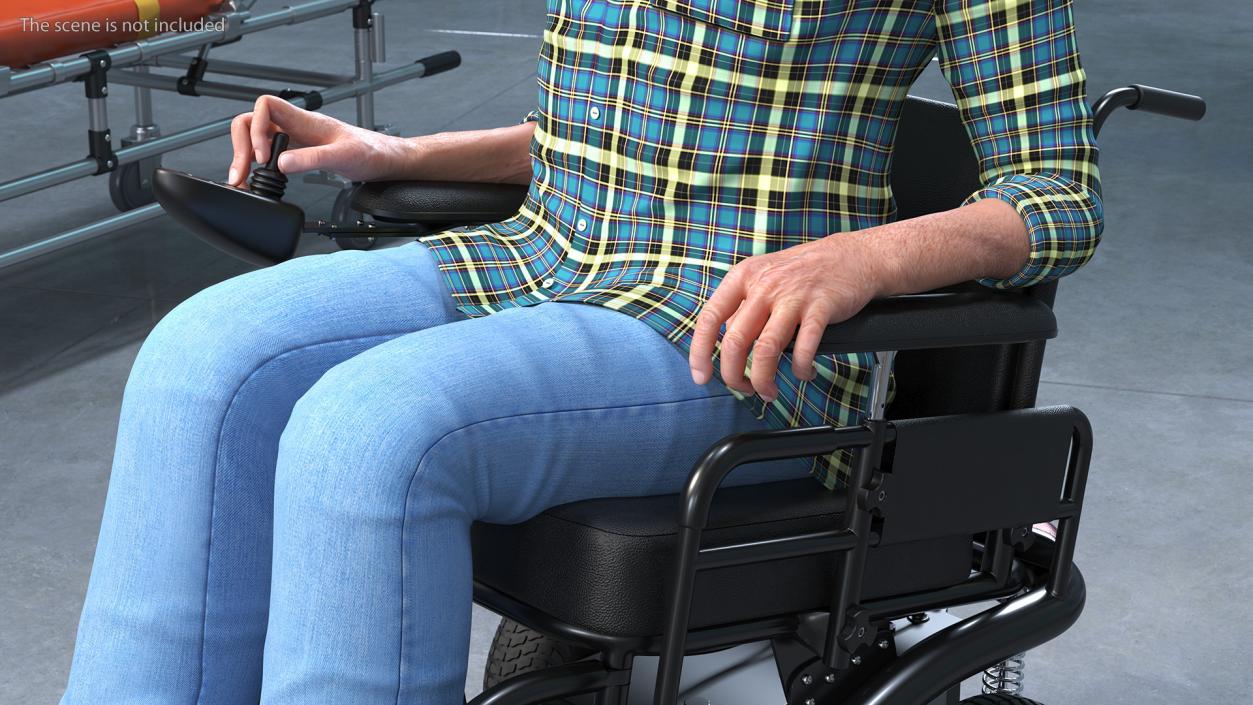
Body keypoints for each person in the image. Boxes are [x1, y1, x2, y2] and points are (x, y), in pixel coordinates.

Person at [59, 0, 1102, 703]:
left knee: (369, 430)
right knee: (204, 358)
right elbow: (611, 119)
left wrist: (863, 258)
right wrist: (404, 154)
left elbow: (1058, 195)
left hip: (719, 327)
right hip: (539, 252)